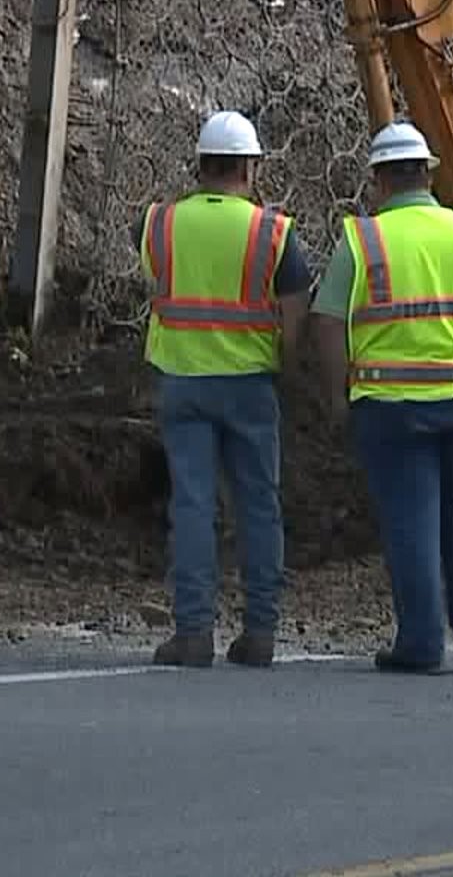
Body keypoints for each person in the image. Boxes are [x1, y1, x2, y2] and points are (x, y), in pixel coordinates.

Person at [310, 120, 453, 676]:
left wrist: (338, 395)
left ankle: (422, 644)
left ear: (379, 180)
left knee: (412, 519)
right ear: (428, 175)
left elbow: (329, 321)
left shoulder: (366, 240)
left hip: (391, 403)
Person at [137, 110, 313, 669]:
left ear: (199, 165)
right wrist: (289, 371)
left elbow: (159, 277)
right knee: (258, 505)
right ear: (250, 167)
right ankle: (260, 632)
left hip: (182, 380)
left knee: (191, 504)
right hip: (248, 386)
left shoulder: (162, 224)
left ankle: (192, 633)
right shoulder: (272, 233)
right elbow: (294, 315)